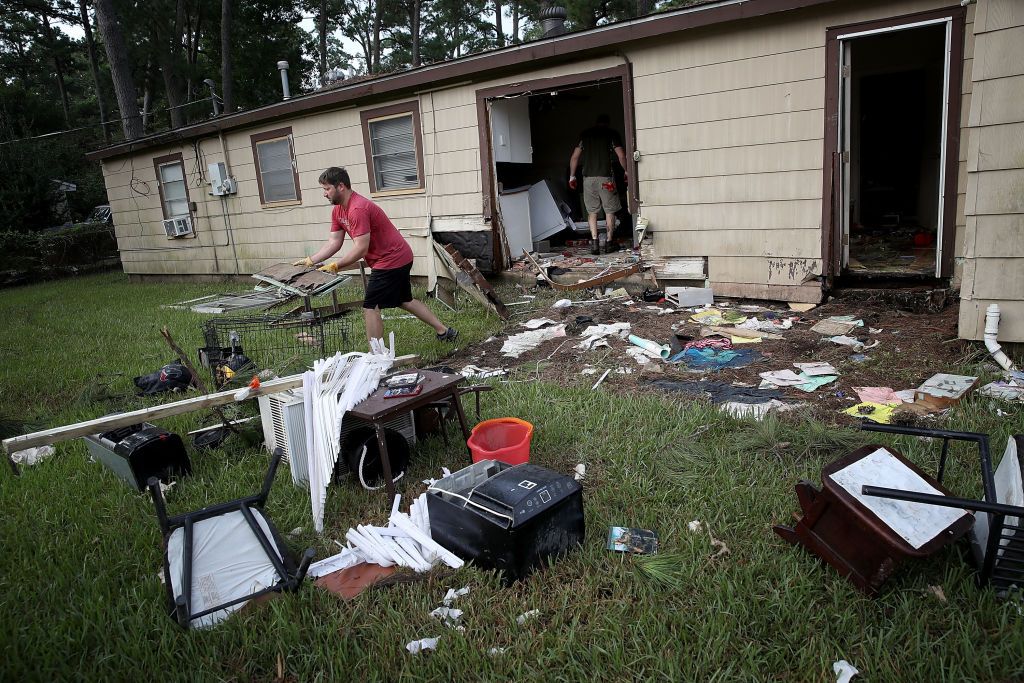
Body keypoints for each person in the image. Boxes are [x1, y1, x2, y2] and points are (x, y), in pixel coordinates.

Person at [293, 166, 458, 346]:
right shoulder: (338, 211)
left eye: (327, 189)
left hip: (391, 259)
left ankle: (377, 357)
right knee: (404, 300)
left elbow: (361, 249)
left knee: (370, 306)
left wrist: (336, 266)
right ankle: (444, 331)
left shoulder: (358, 208)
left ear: (341, 186)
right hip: (396, 257)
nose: (324, 194)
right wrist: (312, 260)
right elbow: (334, 242)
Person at [568, 113, 629, 255]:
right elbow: (621, 155)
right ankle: (608, 243)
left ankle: (594, 244)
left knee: (592, 212)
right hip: (606, 179)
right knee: (610, 210)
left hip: (588, 180)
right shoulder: (611, 134)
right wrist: (626, 171)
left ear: (596, 122)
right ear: (607, 123)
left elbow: (574, 157)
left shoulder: (585, 135)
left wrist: (572, 176)